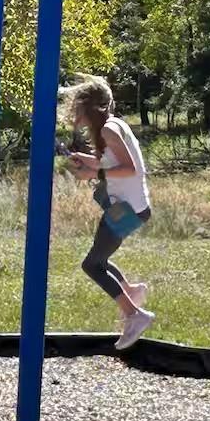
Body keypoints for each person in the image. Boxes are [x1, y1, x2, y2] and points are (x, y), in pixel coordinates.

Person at [61, 76, 154, 350]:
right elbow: (111, 162)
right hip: (132, 208)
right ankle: (132, 291)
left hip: (128, 210)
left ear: (89, 107)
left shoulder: (109, 131)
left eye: (77, 107)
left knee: (92, 265)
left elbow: (130, 168)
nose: (73, 113)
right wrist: (86, 161)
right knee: (99, 258)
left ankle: (135, 315)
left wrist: (95, 172)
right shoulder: (113, 127)